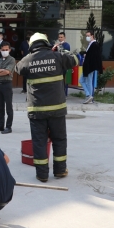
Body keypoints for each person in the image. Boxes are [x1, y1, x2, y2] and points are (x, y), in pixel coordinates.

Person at [16, 33, 78, 182]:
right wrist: (60, 51)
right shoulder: (57, 56)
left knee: (39, 142)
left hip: (37, 111)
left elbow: (18, 69)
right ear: (46, 43)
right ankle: (60, 171)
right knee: (59, 140)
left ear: (32, 46)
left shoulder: (28, 59)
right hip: (57, 109)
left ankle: (42, 175)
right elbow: (75, 60)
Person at [0, 41, 16, 134]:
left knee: (9, 106)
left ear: (9, 50)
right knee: (0, 106)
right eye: (3, 50)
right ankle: (0, 125)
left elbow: (8, 72)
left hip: (7, 84)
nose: (5, 51)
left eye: (6, 49)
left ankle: (8, 127)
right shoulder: (0, 59)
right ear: (0, 50)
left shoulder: (12, 59)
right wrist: (2, 70)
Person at [81, 31, 102, 104]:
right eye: (86, 36)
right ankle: (89, 96)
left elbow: (94, 56)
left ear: (92, 36)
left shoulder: (94, 44)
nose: (87, 37)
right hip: (89, 66)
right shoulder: (91, 44)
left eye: (88, 35)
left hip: (90, 66)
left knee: (86, 81)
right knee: (85, 81)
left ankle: (89, 96)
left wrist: (86, 56)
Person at [56, 32, 71, 96]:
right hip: (59, 65)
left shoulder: (66, 45)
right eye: (59, 37)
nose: (60, 38)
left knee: (65, 80)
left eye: (61, 37)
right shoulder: (57, 45)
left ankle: (65, 94)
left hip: (65, 65)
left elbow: (64, 54)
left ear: (64, 38)